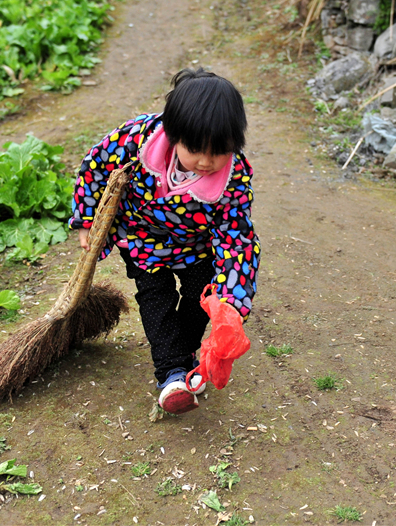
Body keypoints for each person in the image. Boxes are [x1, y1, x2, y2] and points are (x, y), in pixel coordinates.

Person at [68, 68, 260, 415]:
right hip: (142, 239)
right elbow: (94, 167)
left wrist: (231, 304)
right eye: (195, 150)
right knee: (155, 299)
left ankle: (183, 357)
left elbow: (237, 239)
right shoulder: (136, 139)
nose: (205, 161)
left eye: (218, 152)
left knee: (201, 297)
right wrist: (86, 218)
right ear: (173, 135)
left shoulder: (233, 178)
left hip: (196, 246)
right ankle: (171, 374)